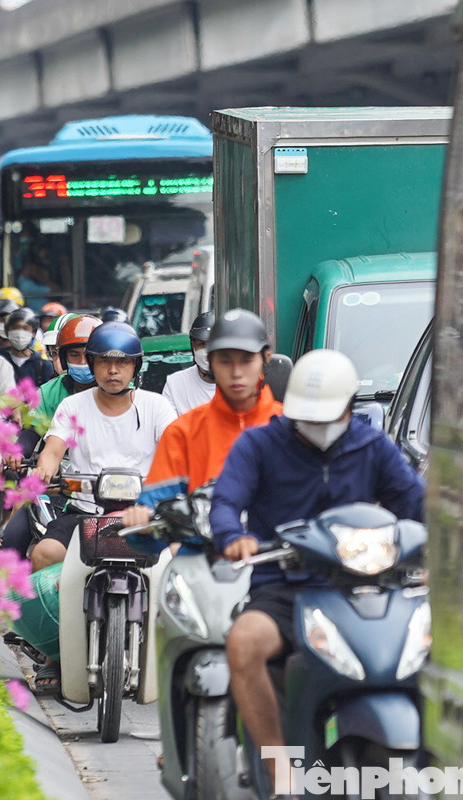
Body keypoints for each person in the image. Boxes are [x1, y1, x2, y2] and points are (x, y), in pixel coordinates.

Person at [212, 348, 424, 793]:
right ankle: (278, 765)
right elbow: (227, 502)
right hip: (285, 589)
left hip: (367, 588)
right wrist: (233, 536)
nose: (317, 426)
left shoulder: (373, 446)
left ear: (351, 405)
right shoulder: (259, 445)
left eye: (328, 414)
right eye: (307, 416)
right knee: (244, 644)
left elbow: (415, 504)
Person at [28, 321, 176, 573]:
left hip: (144, 513)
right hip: (84, 513)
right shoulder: (72, 406)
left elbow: (176, 451)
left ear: (135, 366)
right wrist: (44, 468)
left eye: (122, 363)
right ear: (92, 364)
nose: (113, 371)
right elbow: (53, 449)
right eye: (105, 362)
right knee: (44, 553)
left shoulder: (157, 406)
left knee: (178, 554)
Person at [121, 308, 281, 527]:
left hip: (275, 555)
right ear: (211, 361)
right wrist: (141, 521)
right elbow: (155, 506)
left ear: (266, 358)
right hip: (199, 552)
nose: (236, 372)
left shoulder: (289, 427)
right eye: (225, 361)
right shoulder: (181, 433)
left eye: (246, 360)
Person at [37, 314, 101, 420]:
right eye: (54, 353)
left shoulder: (122, 389)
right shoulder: (48, 393)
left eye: (88, 355)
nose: (82, 362)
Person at [160, 311, 217, 414]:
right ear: (193, 346)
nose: (208, 352)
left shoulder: (238, 382)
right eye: (202, 344)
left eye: (213, 344)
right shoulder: (175, 384)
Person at [0, 307, 55, 387]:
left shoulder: (43, 366)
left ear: (33, 333)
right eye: (15, 328)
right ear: (7, 332)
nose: (20, 333)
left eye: (25, 329)